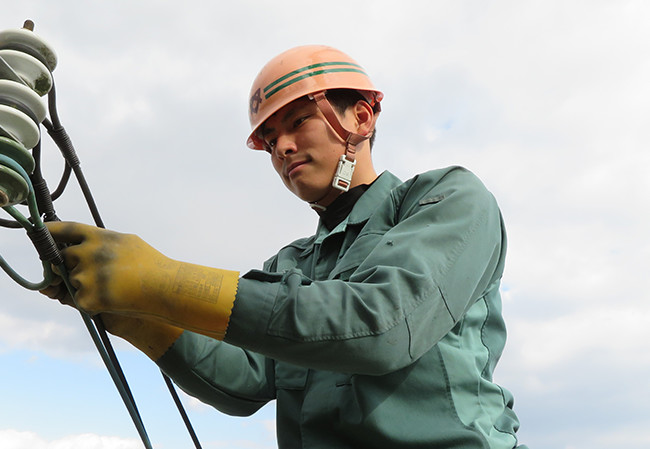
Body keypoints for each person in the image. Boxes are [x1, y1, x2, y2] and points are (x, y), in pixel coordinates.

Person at [42, 45, 528, 448]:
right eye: (271, 139)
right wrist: (130, 311)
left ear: (359, 117)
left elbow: (383, 324)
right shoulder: (293, 262)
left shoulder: (446, 199)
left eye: (299, 122)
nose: (283, 148)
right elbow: (244, 381)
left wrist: (159, 277)